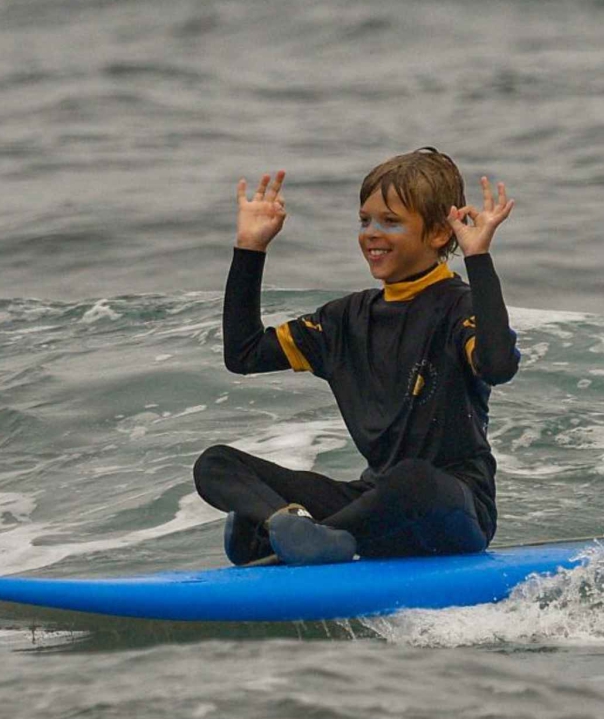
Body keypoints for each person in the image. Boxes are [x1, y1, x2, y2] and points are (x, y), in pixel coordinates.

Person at [192, 147, 521, 566]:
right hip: (374, 502)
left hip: (452, 507)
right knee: (216, 463)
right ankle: (291, 528)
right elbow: (244, 354)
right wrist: (249, 249)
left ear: (440, 233)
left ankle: (301, 538)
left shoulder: (461, 308)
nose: (371, 234)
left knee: (412, 479)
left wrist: (478, 258)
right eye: (365, 221)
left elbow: (497, 365)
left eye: (390, 222)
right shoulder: (344, 320)